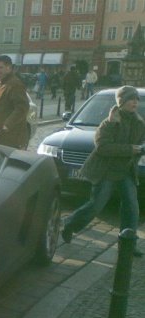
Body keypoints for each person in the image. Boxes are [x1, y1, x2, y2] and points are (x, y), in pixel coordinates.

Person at [61, 86, 144, 257]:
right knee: (95, 205)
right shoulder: (108, 123)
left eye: (137, 99)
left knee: (132, 208)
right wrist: (130, 149)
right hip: (106, 172)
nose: (135, 102)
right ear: (121, 102)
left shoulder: (139, 122)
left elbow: (139, 144)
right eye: (131, 99)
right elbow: (102, 148)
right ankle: (69, 223)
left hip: (126, 172)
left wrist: (140, 149)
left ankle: (128, 243)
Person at [0, 55, 30, 149]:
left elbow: (22, 108)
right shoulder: (1, 84)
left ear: (9, 67)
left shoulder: (14, 84)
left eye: (0, 67)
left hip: (10, 138)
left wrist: (7, 125)